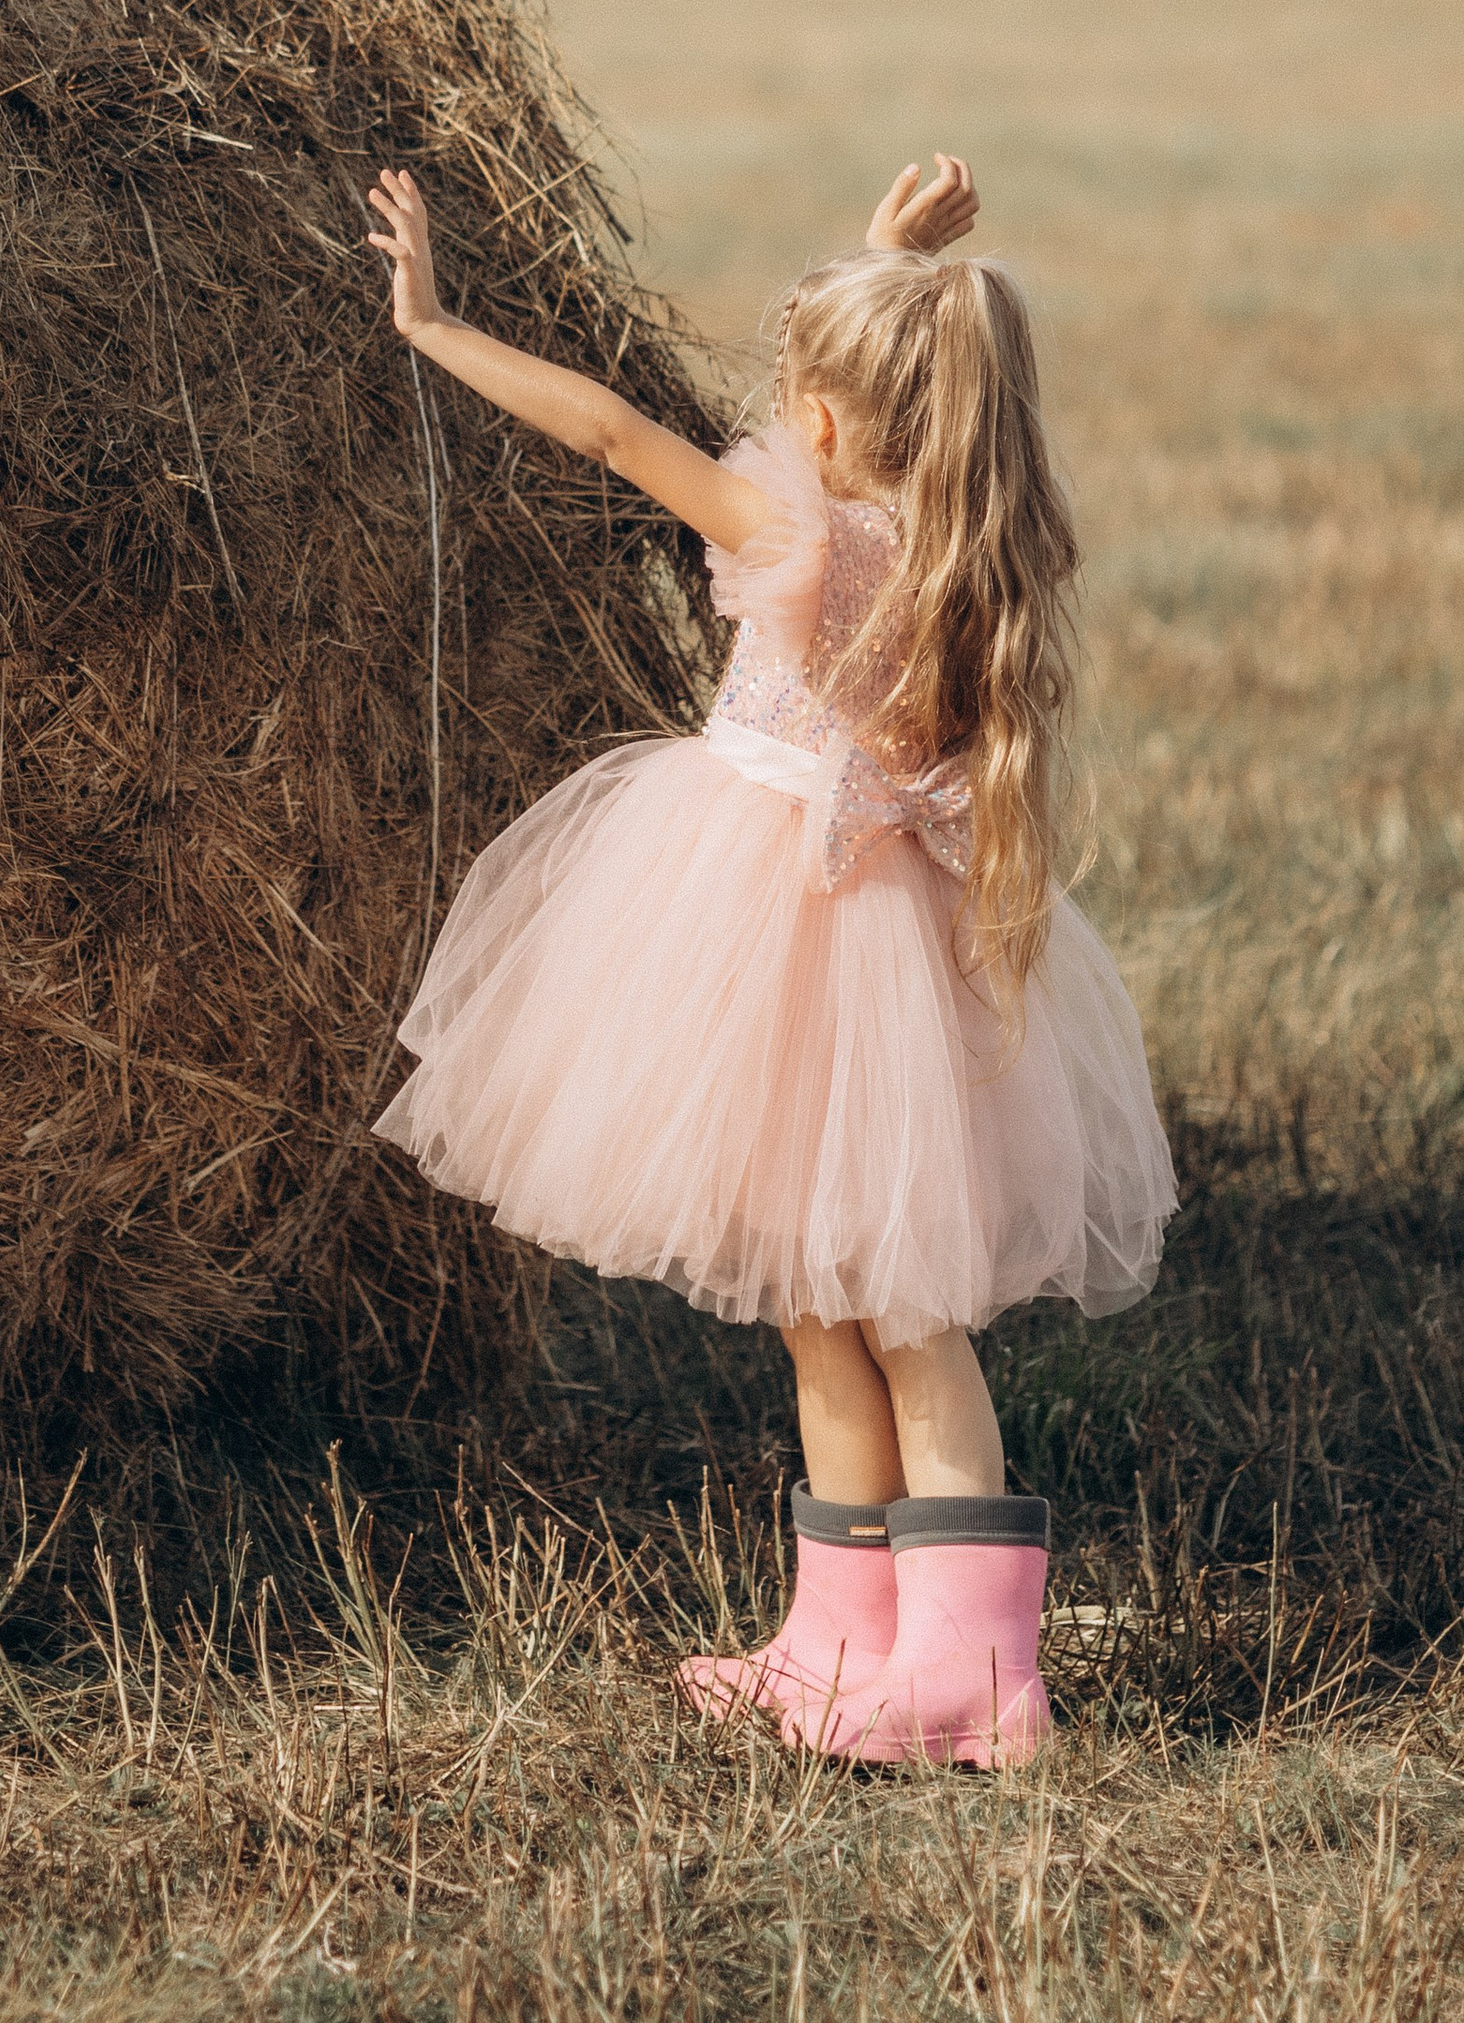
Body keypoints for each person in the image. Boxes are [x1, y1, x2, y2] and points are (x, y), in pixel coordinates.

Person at [362, 151, 1173, 1770]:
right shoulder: (966, 539)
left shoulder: (794, 530)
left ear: (815, 422)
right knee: (830, 1304)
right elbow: (869, 402)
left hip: (792, 934)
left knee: (899, 1316)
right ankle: (839, 1645)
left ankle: (980, 1679)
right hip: (886, 948)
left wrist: (434, 323)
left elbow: (611, 430)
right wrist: (882, 264)